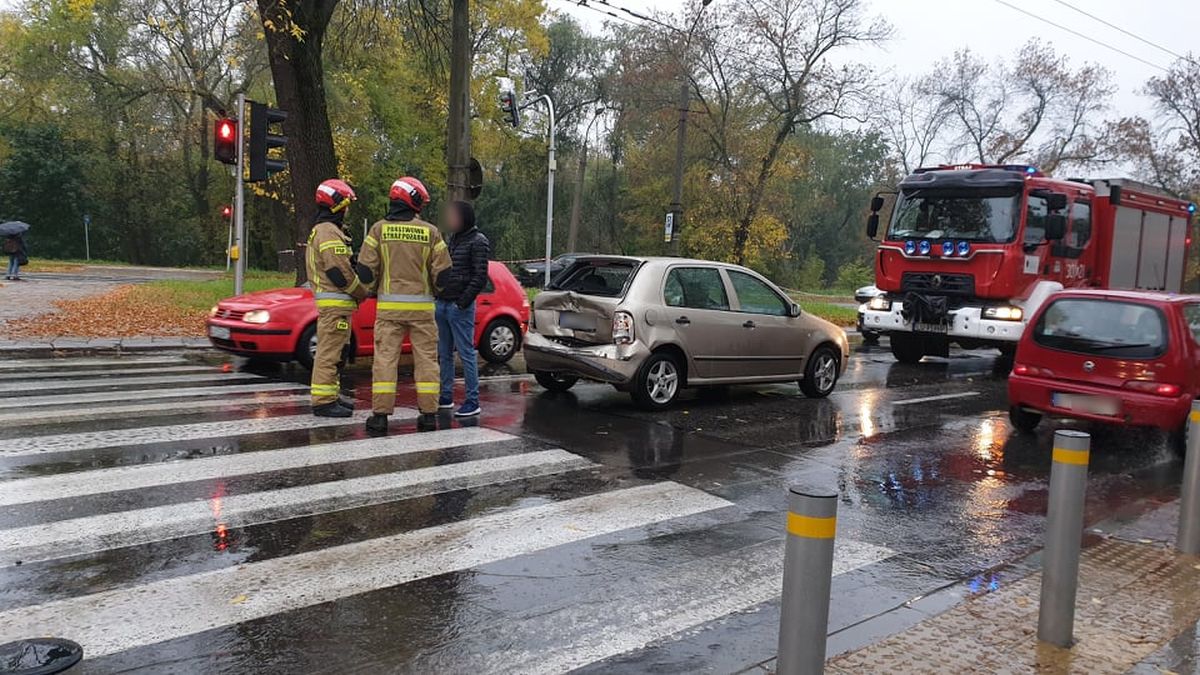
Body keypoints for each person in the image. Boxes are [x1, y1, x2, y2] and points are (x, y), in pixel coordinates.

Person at [356, 176, 451, 433]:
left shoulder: (378, 230)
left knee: (385, 361)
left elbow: (365, 271)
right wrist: (440, 292)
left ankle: (380, 416)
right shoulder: (431, 232)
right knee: (427, 362)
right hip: (423, 312)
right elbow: (443, 275)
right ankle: (429, 415)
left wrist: (365, 292)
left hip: (388, 312)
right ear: (415, 200)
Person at [306, 179, 367, 418]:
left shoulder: (325, 230)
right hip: (335, 307)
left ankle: (331, 395)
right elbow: (339, 272)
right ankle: (323, 402)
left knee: (338, 353)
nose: (347, 208)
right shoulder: (328, 232)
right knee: (329, 354)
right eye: (346, 204)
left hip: (336, 307)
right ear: (336, 204)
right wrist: (361, 291)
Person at [435, 201, 490, 417]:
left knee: (466, 353)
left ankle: (472, 400)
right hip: (444, 302)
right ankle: (445, 395)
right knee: (444, 354)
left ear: (464, 217)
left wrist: (462, 303)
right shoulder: (453, 240)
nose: (450, 220)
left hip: (459, 306)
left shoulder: (478, 241)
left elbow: (480, 276)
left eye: (453, 216)